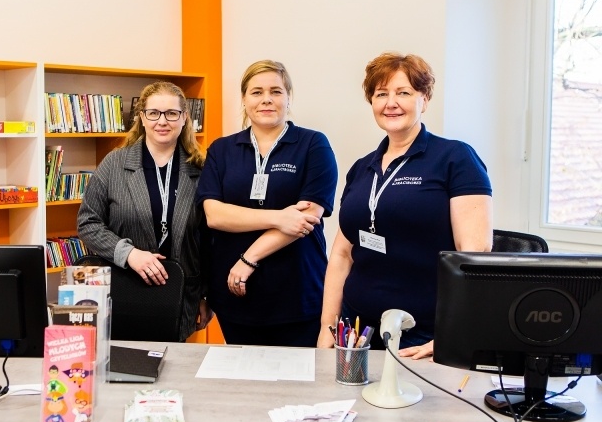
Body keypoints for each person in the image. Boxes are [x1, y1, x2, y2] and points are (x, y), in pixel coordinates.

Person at [317, 52, 493, 359]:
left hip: (423, 335)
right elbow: (342, 254)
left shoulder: (455, 158)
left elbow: (473, 255)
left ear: (424, 99)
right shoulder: (361, 169)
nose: (391, 103)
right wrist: (327, 326)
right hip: (357, 330)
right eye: (381, 94)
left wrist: (451, 333)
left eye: (403, 93)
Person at [196, 60, 338, 347]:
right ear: (244, 99)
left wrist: (248, 259)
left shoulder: (313, 145)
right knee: (243, 373)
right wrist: (279, 217)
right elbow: (214, 215)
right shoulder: (222, 150)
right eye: (257, 92)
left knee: (301, 374)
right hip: (235, 296)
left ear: (288, 97)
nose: (266, 99)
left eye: (276, 91)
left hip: (297, 293)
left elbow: (307, 217)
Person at [77, 80, 212, 341]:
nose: (162, 121)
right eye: (154, 113)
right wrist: (129, 254)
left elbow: (209, 239)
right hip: (125, 287)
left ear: (184, 117)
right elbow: (88, 222)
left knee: (172, 363)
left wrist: (207, 296)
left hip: (181, 293)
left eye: (171, 113)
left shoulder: (201, 167)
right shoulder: (114, 163)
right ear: (142, 116)